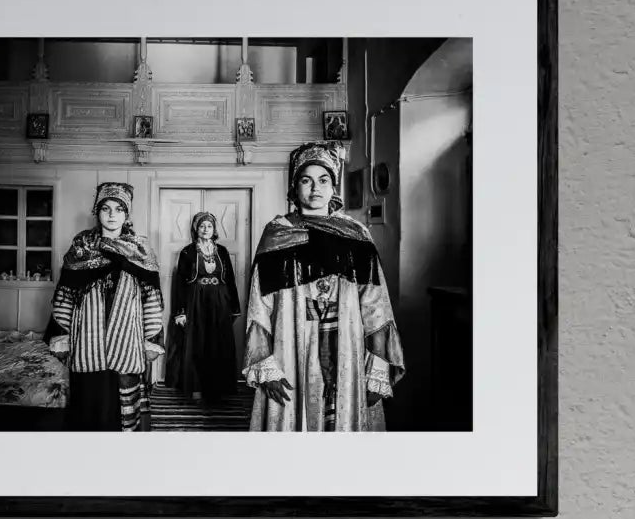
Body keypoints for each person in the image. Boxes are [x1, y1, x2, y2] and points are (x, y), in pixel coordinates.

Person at [242, 141, 404, 431]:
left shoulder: (357, 236)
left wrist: (378, 364)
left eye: (323, 180)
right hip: (289, 347)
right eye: (306, 180)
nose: (315, 188)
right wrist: (265, 365)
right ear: (294, 187)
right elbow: (259, 305)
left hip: (346, 347)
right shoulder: (276, 235)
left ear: (334, 187)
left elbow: (375, 304)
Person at [45, 181, 164, 431]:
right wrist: (62, 336)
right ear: (97, 212)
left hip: (127, 340)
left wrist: (151, 338)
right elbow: (65, 295)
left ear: (126, 214)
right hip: (87, 341)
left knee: (122, 405)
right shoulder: (80, 249)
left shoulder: (140, 250)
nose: (112, 215)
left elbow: (151, 298)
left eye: (118, 209)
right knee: (89, 404)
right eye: (106, 208)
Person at [164, 211, 241, 403]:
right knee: (197, 344)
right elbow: (181, 284)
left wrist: (234, 307)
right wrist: (180, 312)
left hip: (219, 301)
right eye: (202, 226)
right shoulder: (187, 252)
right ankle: (197, 388)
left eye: (209, 226)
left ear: (214, 230)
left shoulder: (222, 251)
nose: (206, 229)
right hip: (195, 302)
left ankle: (217, 389)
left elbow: (230, 279)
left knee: (218, 344)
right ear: (196, 229)